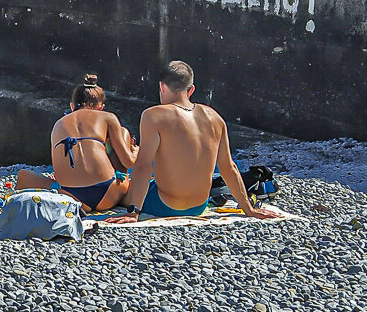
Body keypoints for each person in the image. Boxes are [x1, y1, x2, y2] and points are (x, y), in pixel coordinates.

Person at [109, 61, 280, 222]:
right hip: (199, 206)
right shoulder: (215, 117)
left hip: (165, 205)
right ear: (191, 90)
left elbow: (143, 166)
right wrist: (249, 209)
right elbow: (229, 167)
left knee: (122, 191)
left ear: (161, 86)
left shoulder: (153, 115)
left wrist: (133, 212)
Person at [15, 74, 139, 212]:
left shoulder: (58, 124)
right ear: (101, 107)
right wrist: (135, 151)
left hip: (72, 197)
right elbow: (128, 162)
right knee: (123, 132)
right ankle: (122, 185)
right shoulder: (108, 117)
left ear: (72, 105)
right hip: (109, 193)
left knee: (23, 175)